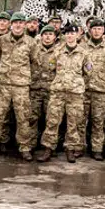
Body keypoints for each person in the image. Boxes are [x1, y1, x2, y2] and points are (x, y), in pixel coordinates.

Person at [0, 14, 36, 160]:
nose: (18, 26)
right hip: (3, 84)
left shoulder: (31, 43)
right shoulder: (2, 40)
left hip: (21, 86)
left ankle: (25, 147)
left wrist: (26, 75)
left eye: (21, 23)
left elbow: (35, 61)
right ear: (11, 25)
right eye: (15, 23)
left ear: (24, 25)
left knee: (23, 117)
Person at [37, 23, 88, 163]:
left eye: (73, 33)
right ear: (64, 36)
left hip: (75, 93)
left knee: (73, 122)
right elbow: (51, 67)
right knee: (52, 121)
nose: (70, 36)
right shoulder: (57, 51)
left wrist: (76, 82)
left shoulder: (84, 52)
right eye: (68, 33)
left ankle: (70, 150)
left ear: (77, 35)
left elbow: (89, 71)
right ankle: (48, 149)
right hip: (58, 92)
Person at [82, 19, 105, 160]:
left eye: (100, 29)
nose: (97, 31)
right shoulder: (82, 47)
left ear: (103, 31)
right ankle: (79, 147)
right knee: (80, 121)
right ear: (90, 30)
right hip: (84, 90)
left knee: (98, 122)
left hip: (101, 91)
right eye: (94, 29)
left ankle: (97, 149)